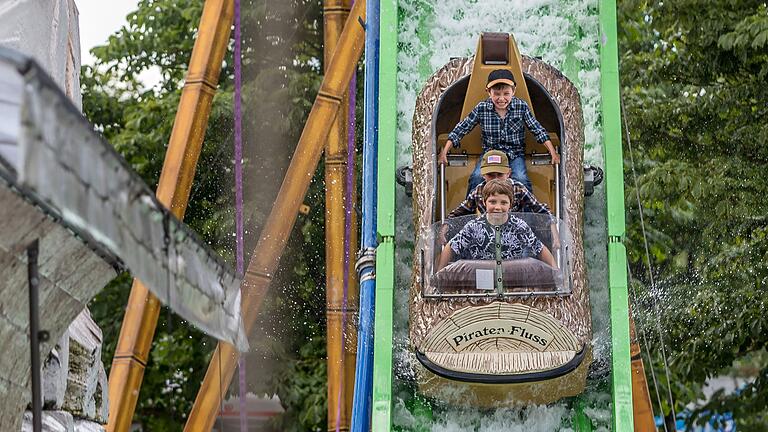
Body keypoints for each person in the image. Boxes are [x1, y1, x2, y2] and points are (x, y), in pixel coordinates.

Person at [437, 69, 560, 194]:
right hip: (490, 154)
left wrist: (553, 153)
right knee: (477, 178)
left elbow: (537, 130)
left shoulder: (521, 107)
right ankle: (469, 209)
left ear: (513, 91)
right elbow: (461, 128)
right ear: (489, 92)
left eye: (506, 93)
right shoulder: (482, 108)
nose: (501, 98)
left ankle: (527, 211)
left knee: (521, 179)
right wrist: (445, 152)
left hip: (514, 154)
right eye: (496, 94)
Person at [443, 150, 560, 249]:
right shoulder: (479, 191)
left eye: (499, 175)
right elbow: (458, 213)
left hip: (515, 236)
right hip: (489, 238)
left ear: (508, 173)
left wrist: (555, 236)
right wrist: (443, 231)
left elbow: (542, 210)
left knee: (526, 256)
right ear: (483, 175)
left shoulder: (518, 189)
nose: (495, 179)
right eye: (490, 175)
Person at [437, 179, 557, 271]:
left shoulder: (520, 226)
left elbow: (540, 249)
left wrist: (557, 273)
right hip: (481, 287)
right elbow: (451, 247)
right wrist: (439, 274)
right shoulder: (473, 227)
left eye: (504, 202)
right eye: (492, 202)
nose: (498, 207)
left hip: (512, 284)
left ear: (510, 205)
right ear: (484, 202)